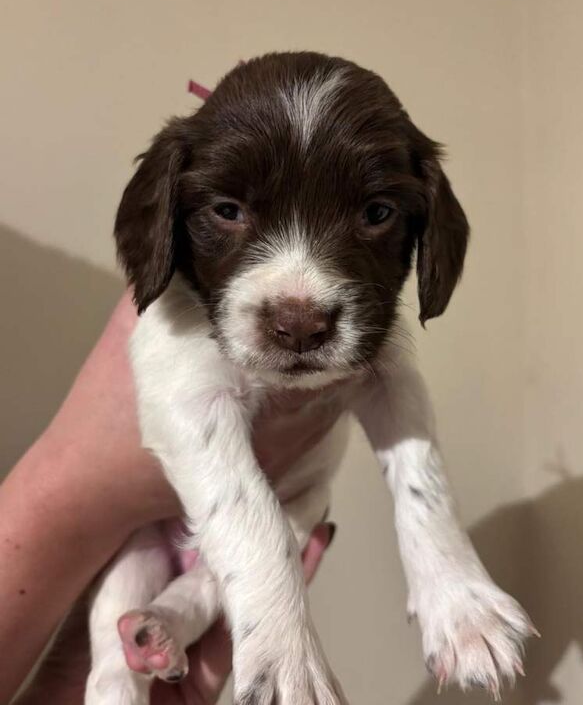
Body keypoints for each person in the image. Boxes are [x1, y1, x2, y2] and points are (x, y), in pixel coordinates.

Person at [0, 295, 334, 704]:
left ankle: (157, 633)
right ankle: (118, 677)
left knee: (276, 534)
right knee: (138, 562)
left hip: (262, 524)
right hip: (157, 532)